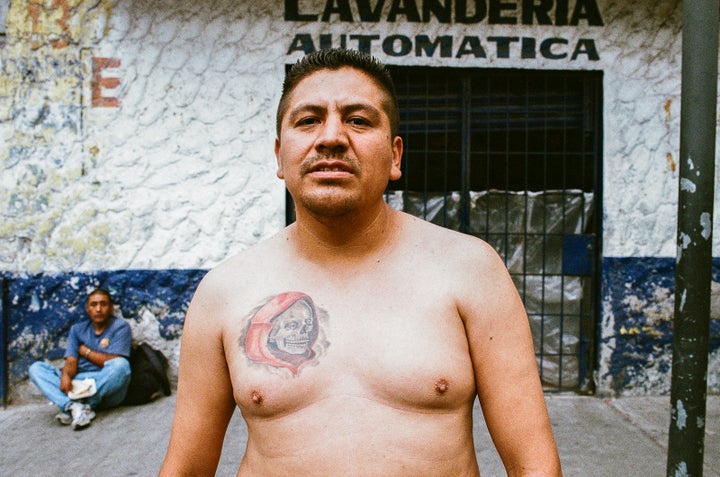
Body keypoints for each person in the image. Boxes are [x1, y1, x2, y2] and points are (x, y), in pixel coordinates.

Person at [160, 48, 562, 476]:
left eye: (358, 120)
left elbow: (533, 465)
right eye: (308, 119)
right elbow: (186, 468)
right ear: (279, 155)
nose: (331, 137)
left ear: (395, 156)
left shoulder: (470, 270)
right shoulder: (225, 291)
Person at [28, 288, 132, 430]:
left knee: (122, 365)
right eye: (93, 305)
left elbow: (113, 360)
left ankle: (85, 405)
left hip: (105, 384)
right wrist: (66, 376)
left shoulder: (120, 327)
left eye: (103, 304)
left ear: (110, 307)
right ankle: (72, 406)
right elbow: (71, 361)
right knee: (36, 368)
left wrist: (86, 351)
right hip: (79, 382)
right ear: (87, 309)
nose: (99, 309)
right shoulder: (77, 329)